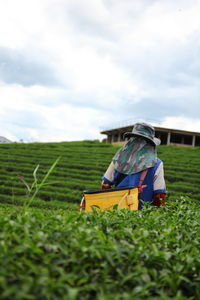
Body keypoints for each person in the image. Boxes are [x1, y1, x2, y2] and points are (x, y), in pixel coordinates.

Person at [101, 122, 166, 209]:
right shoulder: (157, 164)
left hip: (118, 211)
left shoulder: (119, 158)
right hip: (141, 215)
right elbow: (159, 195)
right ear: (150, 143)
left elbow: (105, 185)